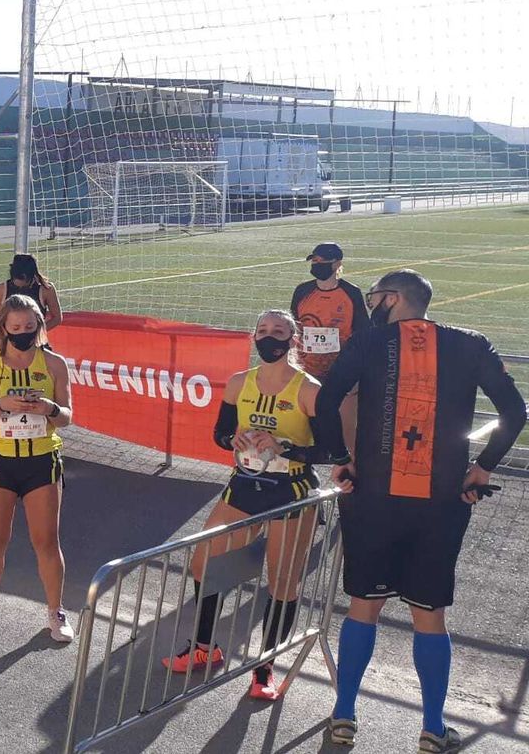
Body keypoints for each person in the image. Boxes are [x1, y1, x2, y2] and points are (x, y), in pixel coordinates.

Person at [315, 270, 525, 752]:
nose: (371, 305)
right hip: (440, 502)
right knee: (430, 614)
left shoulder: (368, 343)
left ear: (391, 299)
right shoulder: (472, 344)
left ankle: (344, 716)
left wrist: (341, 458)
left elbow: (327, 400)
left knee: (364, 607)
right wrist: (484, 468)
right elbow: (515, 411)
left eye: (373, 298)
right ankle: (432, 727)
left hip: (372, 498)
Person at [162, 310, 325, 701]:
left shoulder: (308, 388)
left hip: (292, 491)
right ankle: (204, 646)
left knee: (282, 580)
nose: (270, 337)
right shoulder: (239, 382)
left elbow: (333, 449)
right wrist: (233, 439)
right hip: (246, 485)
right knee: (204, 563)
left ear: (293, 340)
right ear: (254, 337)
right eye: (263, 331)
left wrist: (286, 446)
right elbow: (220, 433)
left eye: (279, 331)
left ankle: (264, 668)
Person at [0, 293, 76, 641]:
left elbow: (68, 417)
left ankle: (56, 613)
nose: (23, 332)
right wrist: (1, 405)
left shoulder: (54, 364)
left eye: (30, 326)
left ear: (39, 327)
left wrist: (48, 409)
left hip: (41, 460)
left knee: (46, 540)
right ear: (4, 328)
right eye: (16, 327)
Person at [291, 242, 368, 453]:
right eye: (314, 260)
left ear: (337, 264)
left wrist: (356, 373)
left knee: (344, 431)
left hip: (340, 371)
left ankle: (349, 471)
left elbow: (362, 333)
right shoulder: (302, 291)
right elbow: (294, 327)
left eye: (322, 261)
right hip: (306, 370)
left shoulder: (351, 293)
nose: (317, 265)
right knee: (305, 428)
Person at [5, 254, 63, 331]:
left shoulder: (46, 289)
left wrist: (37, 333)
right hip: (8, 339)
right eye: (15, 281)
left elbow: (57, 318)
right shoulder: (1, 289)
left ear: (32, 276)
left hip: (35, 340)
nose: (20, 287)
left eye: (24, 282)